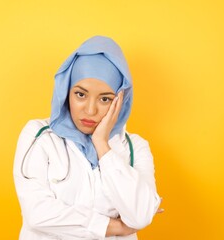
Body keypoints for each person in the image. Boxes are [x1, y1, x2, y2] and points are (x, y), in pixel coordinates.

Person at [13, 36, 163, 239]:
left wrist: (102, 146)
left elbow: (141, 217)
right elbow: (37, 213)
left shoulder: (135, 148)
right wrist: (114, 227)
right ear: (66, 92)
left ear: (121, 100)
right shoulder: (40, 136)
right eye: (80, 95)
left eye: (105, 99)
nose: (90, 110)